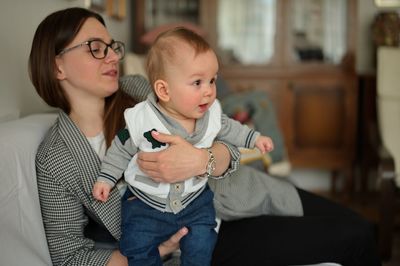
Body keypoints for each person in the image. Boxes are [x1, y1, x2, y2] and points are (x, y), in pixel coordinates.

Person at [29, 7, 382, 266]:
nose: (111, 57)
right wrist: (150, 252)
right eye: (95, 47)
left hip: (240, 191)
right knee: (355, 238)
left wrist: (203, 160)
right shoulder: (56, 158)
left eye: (112, 46)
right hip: (203, 239)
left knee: (362, 227)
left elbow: (221, 134)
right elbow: (69, 254)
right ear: (56, 65)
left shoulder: (139, 91)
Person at [92, 27, 274, 266]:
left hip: (194, 201)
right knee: (136, 245)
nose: (208, 91)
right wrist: (106, 178)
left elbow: (230, 129)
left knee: (202, 241)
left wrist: (254, 138)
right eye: (197, 82)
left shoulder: (211, 114)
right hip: (146, 204)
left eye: (212, 80)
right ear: (164, 90)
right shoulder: (142, 119)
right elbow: (121, 148)